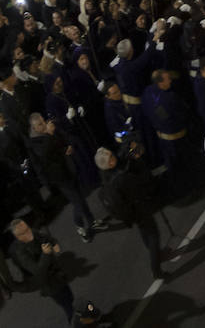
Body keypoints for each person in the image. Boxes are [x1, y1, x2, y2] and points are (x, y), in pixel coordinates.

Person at [95, 144, 165, 280]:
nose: (114, 156)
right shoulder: (121, 179)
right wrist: (138, 161)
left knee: (144, 231)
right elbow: (143, 182)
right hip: (139, 209)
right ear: (109, 163)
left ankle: (153, 252)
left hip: (131, 213)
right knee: (153, 236)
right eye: (111, 156)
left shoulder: (105, 176)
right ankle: (156, 268)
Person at [26, 113, 98, 242]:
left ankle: (92, 221)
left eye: (43, 121)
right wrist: (48, 134)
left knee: (81, 197)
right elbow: (44, 154)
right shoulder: (34, 142)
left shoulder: (50, 131)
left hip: (69, 168)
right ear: (34, 128)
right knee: (77, 202)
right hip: (59, 177)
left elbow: (62, 140)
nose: (43, 125)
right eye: (40, 124)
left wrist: (68, 147)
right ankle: (80, 226)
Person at [7, 217, 75, 321]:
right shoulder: (21, 252)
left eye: (27, 228)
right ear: (17, 236)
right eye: (24, 232)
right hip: (48, 283)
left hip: (58, 275)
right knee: (68, 306)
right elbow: (37, 271)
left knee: (71, 299)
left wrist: (54, 243)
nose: (29, 233)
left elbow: (47, 238)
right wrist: (45, 254)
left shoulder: (33, 233)